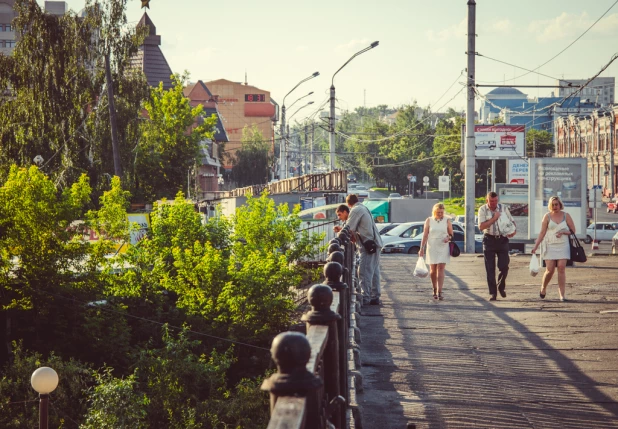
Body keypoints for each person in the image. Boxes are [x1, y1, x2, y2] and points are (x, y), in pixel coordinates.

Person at [531, 196, 575, 302]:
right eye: (553, 205)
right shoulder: (547, 216)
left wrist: (564, 232)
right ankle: (543, 288)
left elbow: (573, 230)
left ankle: (562, 295)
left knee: (561, 268)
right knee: (550, 270)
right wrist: (535, 246)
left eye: (557, 204)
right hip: (549, 244)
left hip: (563, 244)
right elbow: (542, 233)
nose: (555, 206)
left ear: (560, 205)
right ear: (550, 206)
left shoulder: (566, 215)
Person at [344, 194, 383, 305]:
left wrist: (340, 230)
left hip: (368, 246)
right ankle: (375, 296)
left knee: (364, 271)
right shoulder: (363, 207)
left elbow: (349, 228)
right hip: (375, 243)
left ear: (348, 204)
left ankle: (365, 297)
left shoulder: (355, 210)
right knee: (374, 271)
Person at [478, 191, 516, 301]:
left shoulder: (503, 208)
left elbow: (512, 221)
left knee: (504, 266)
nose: (494, 203)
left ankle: (501, 286)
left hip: (502, 239)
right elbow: (481, 226)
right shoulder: (483, 209)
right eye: (491, 201)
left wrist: (513, 231)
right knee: (490, 268)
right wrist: (494, 218)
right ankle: (493, 293)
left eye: (495, 201)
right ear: (487, 201)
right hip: (489, 239)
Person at [419, 203, 453, 300]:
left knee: (441, 268)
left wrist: (448, 238)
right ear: (434, 212)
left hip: (443, 245)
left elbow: (451, 234)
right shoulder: (429, 220)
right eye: (438, 212)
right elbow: (425, 235)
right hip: (432, 246)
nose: (440, 214)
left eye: (441, 212)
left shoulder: (447, 220)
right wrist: (421, 248)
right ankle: (434, 288)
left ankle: (440, 291)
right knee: (433, 270)